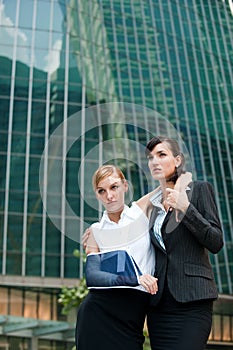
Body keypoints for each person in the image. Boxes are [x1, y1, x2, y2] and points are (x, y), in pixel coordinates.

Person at [145, 136, 224, 350]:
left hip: (193, 301)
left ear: (177, 160)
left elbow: (216, 241)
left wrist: (186, 209)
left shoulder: (198, 190)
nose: (155, 161)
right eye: (150, 157)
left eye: (162, 155)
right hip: (159, 306)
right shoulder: (152, 206)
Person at [75, 164, 158, 350]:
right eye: (101, 191)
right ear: (97, 195)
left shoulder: (141, 211)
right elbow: (93, 276)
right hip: (98, 312)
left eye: (114, 187)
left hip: (133, 314)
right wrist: (136, 278)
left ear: (125, 186)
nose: (109, 196)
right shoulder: (95, 231)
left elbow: (172, 184)